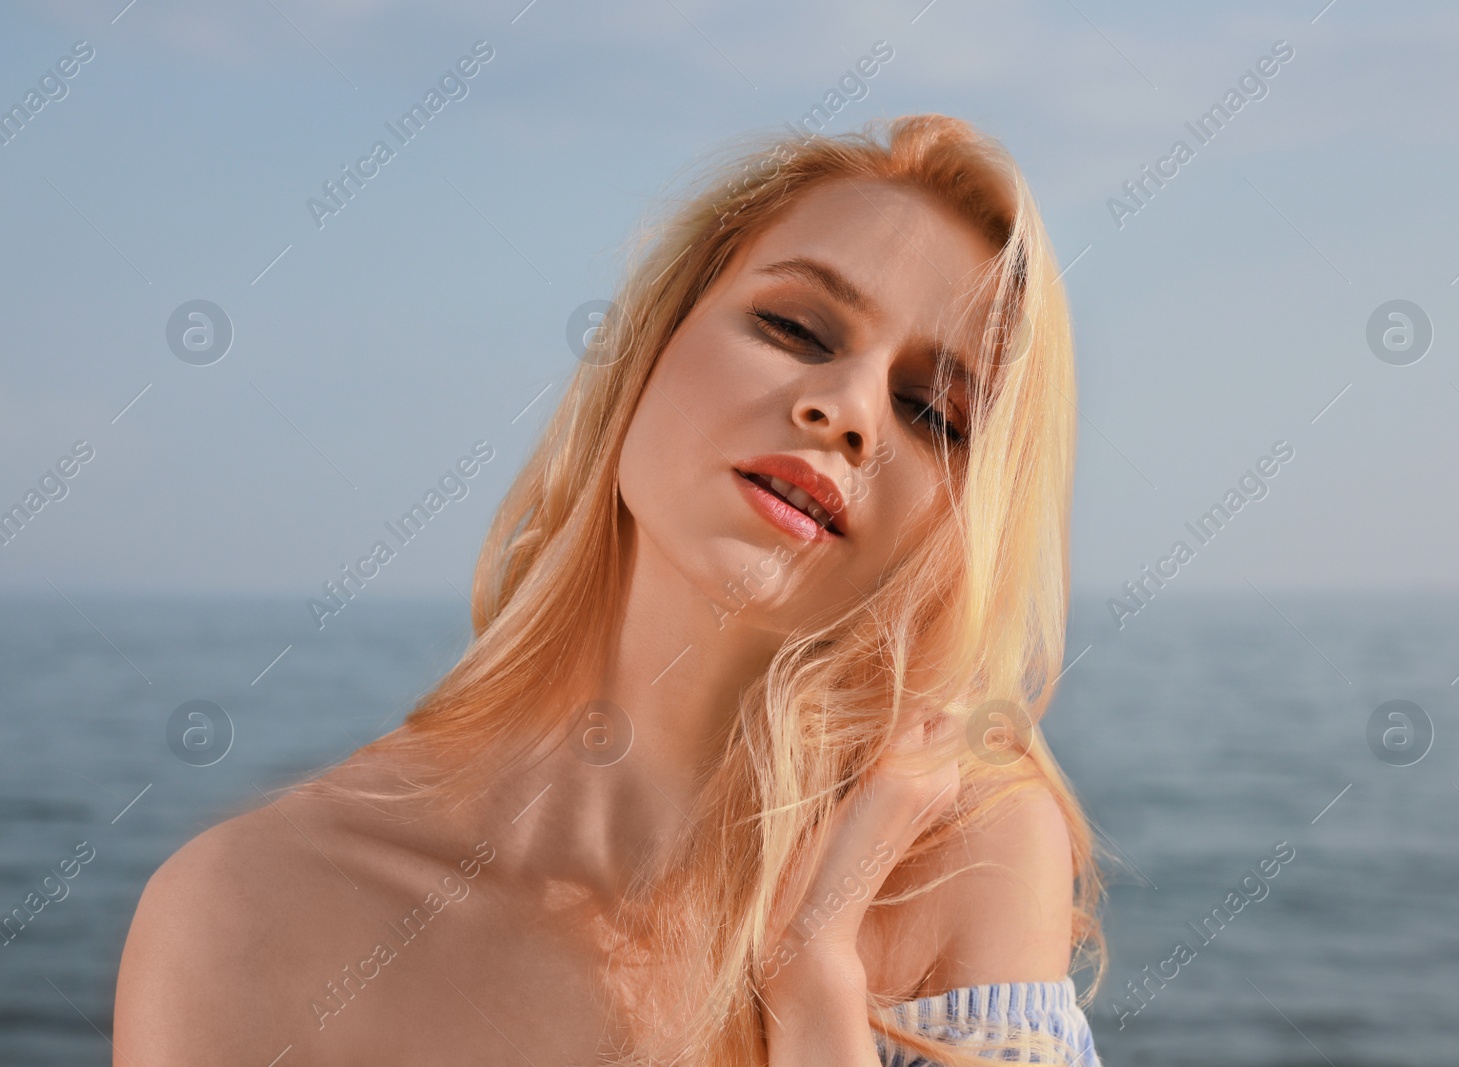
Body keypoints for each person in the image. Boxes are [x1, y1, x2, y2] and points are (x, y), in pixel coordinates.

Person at [113, 113, 1106, 1066]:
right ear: (648, 347)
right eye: (797, 327)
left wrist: (814, 981)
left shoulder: (954, 857)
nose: (847, 410)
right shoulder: (248, 912)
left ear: (958, 525)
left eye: (932, 410)